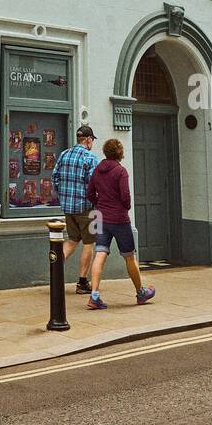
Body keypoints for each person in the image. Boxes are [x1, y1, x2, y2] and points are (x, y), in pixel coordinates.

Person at [86, 138, 155, 308]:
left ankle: (94, 295)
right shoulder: (120, 171)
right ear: (119, 153)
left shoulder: (97, 170)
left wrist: (99, 203)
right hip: (119, 219)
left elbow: (89, 194)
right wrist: (125, 206)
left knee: (100, 253)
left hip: (101, 217)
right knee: (129, 256)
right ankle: (141, 293)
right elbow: (125, 196)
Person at [52, 125, 100, 294]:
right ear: (87, 140)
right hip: (87, 208)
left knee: (72, 239)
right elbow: (95, 185)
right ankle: (82, 282)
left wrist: (63, 196)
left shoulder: (64, 154)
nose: (92, 143)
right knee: (89, 243)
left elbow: (55, 177)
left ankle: (54, 273)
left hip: (68, 207)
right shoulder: (90, 158)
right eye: (92, 140)